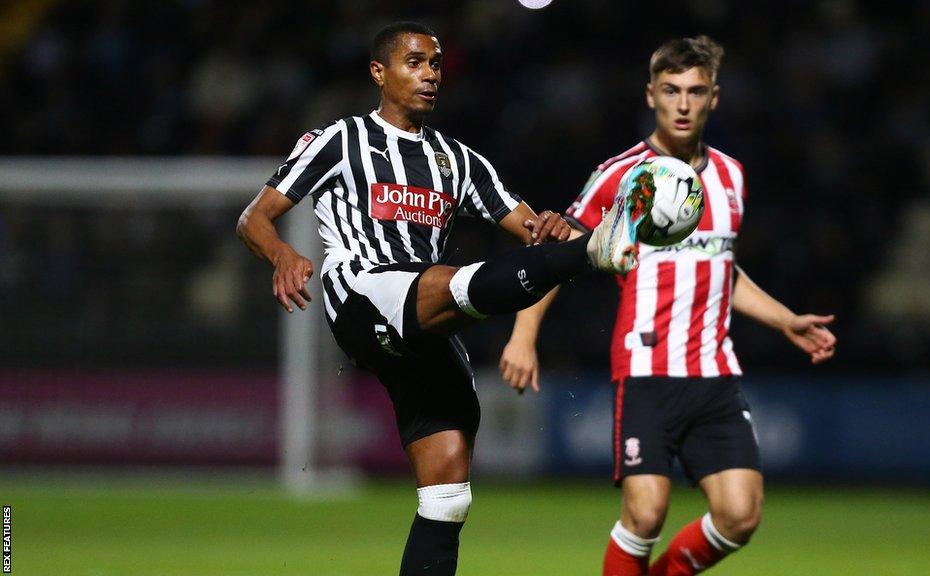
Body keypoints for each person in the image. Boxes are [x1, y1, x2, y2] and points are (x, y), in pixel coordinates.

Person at [236, 21, 649, 576]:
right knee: (453, 281)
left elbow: (533, 232)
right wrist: (284, 255)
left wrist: (558, 231)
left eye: (435, 64)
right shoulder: (340, 139)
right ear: (379, 73)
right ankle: (597, 252)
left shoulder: (459, 161)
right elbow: (253, 217)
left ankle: (597, 250)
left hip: (424, 321)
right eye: (414, 62)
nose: (430, 74)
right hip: (362, 291)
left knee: (448, 495)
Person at [499, 36, 837, 575]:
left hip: (714, 372)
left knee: (740, 514)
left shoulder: (731, 176)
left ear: (714, 98)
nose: (684, 104)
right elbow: (555, 256)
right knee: (646, 512)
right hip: (646, 369)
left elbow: (722, 267)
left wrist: (785, 319)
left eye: (696, 91)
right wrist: (523, 336)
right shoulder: (621, 175)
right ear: (651, 94)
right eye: (672, 90)